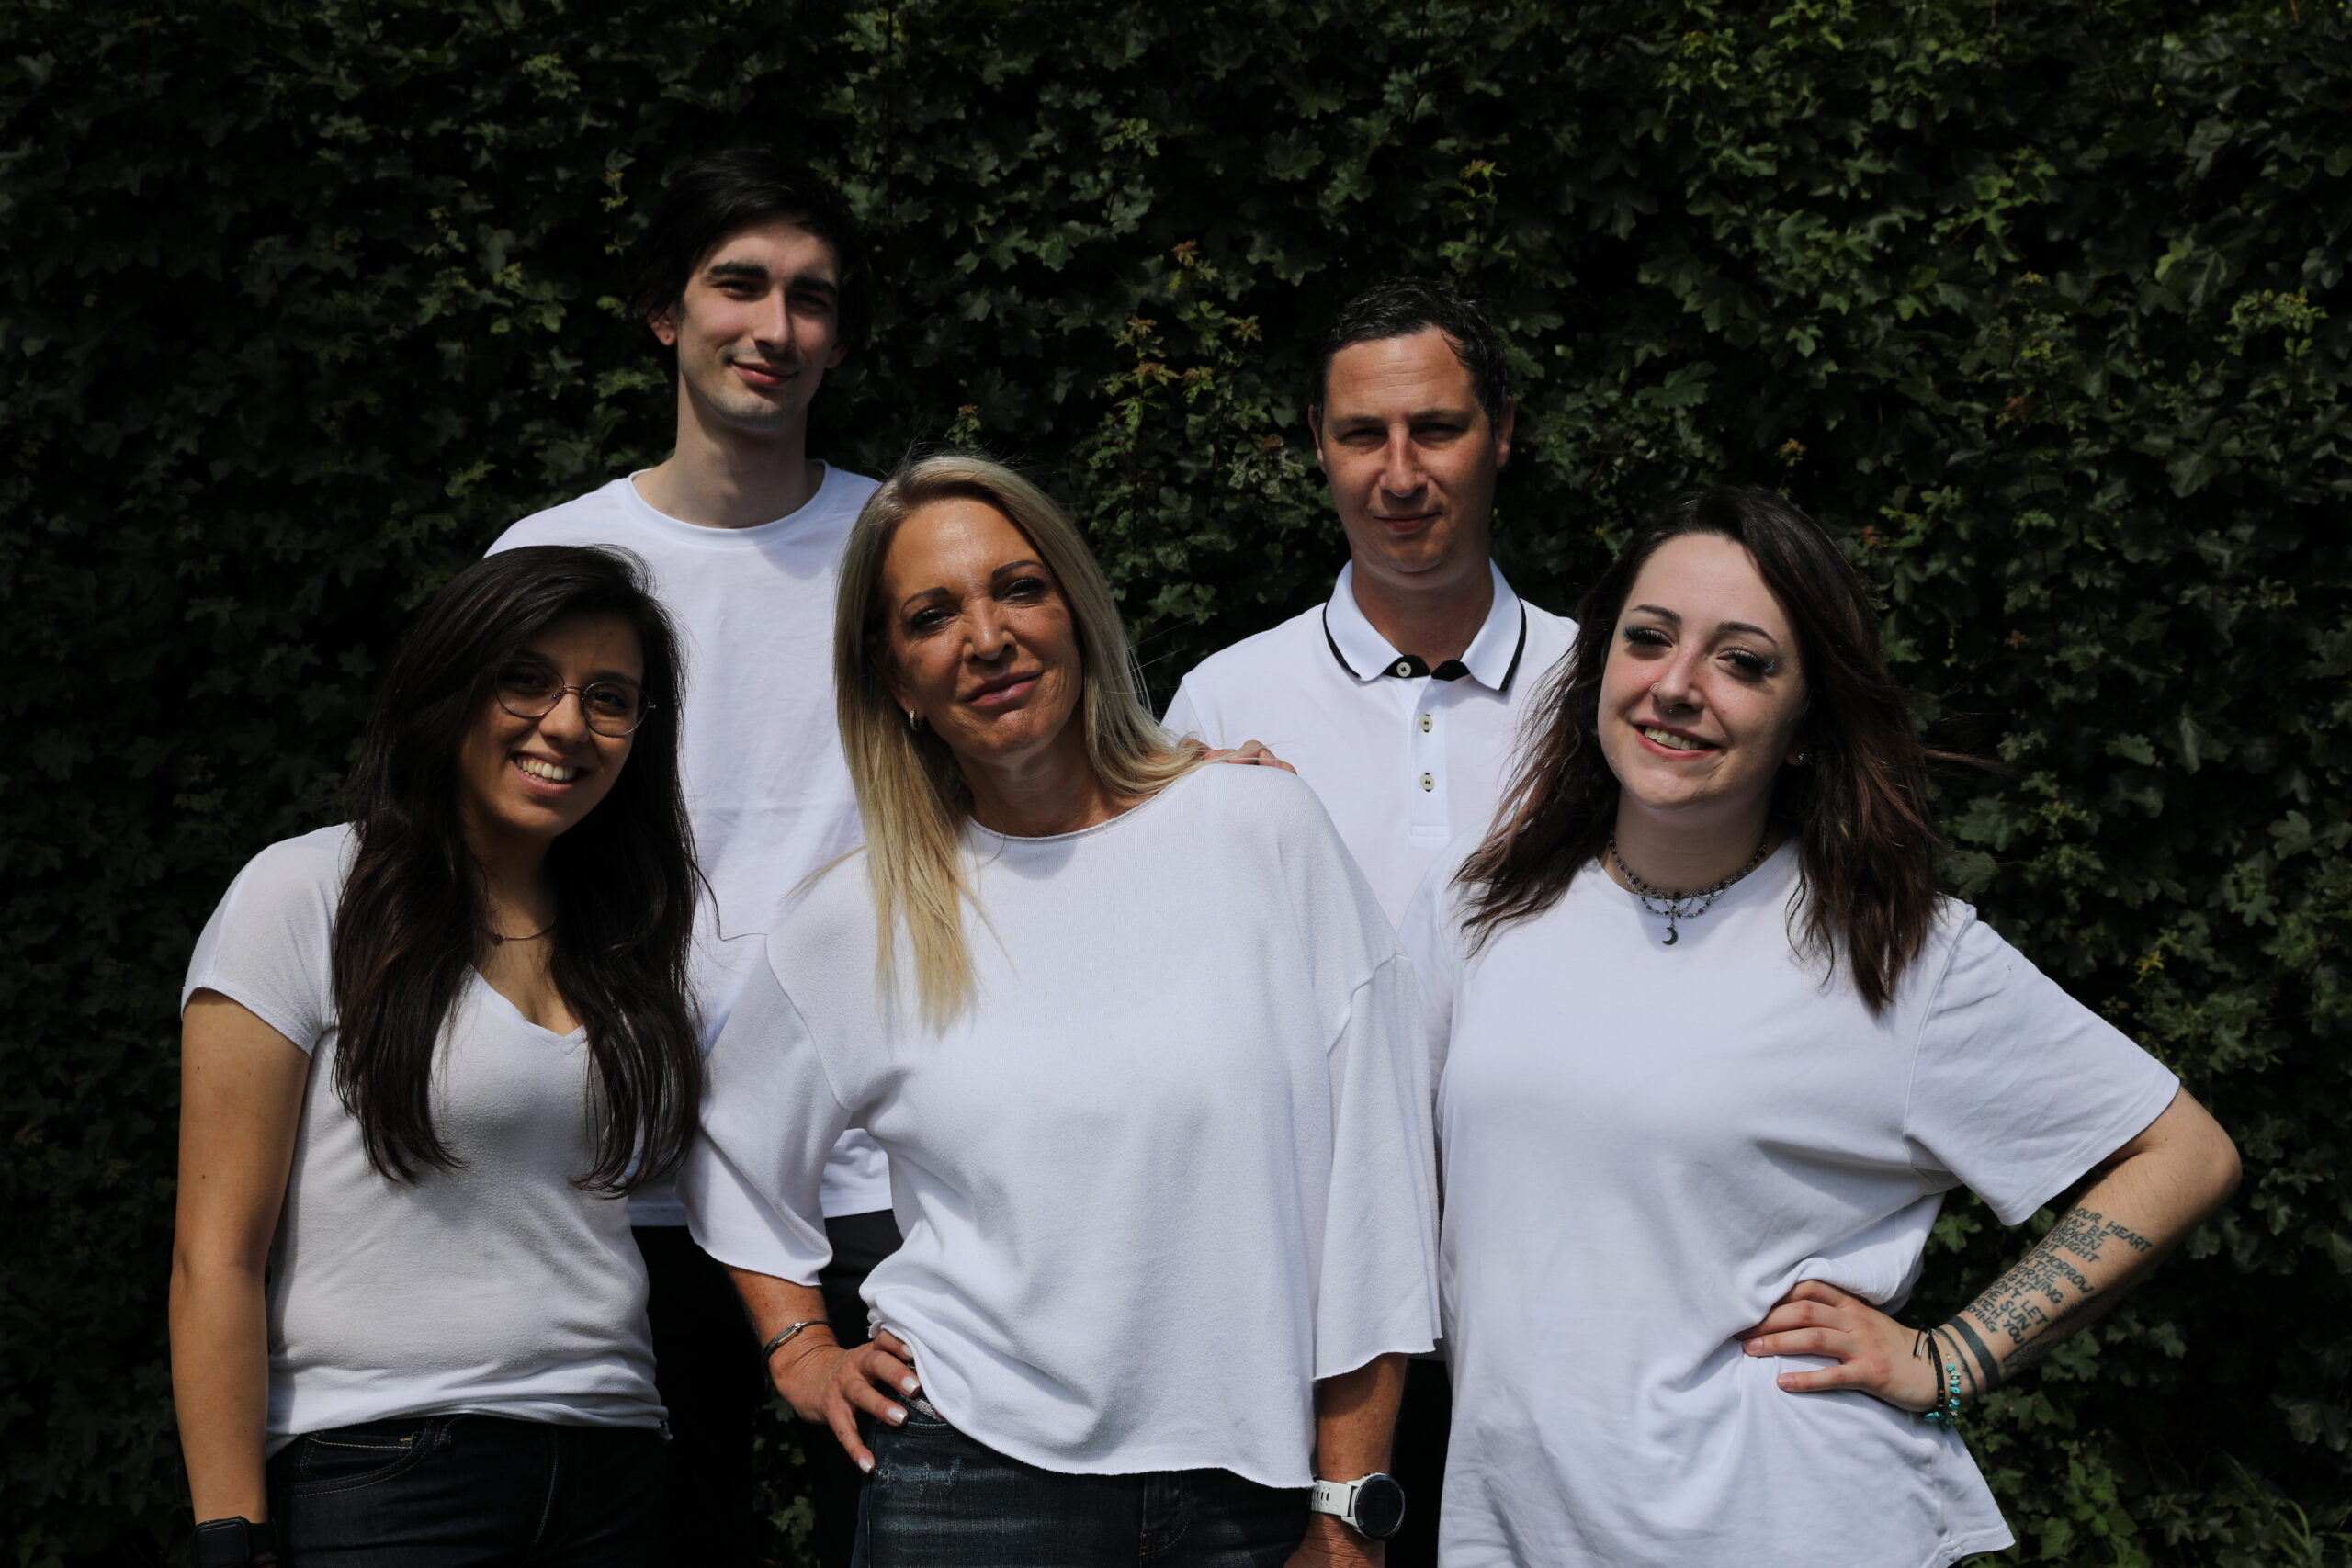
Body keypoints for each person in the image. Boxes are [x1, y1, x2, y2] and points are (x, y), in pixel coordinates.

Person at [1399, 486, 2242, 1567]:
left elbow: (2184, 1151)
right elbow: (1367, 1188)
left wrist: (1955, 1356)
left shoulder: (1892, 950)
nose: (1678, 686)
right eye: (1648, 639)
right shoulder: (1476, 908)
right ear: (1599, 665)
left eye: (1744, 662)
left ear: (1805, 728)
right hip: (1518, 1530)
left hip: (1797, 1523)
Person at [680, 454, 1440, 1568]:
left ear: (1075, 611)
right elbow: (732, 1144)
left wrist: (1348, 1502)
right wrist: (800, 1348)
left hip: (1252, 1494)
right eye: (932, 616)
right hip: (964, 1488)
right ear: (895, 678)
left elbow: (1372, 1191)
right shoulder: (861, 919)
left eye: (1018, 589)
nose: (986, 638)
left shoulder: (1260, 832)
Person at [487, 149, 888, 1565]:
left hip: (876, 1173)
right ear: (665, 310)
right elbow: (469, 852)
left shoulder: (899, 546)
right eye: (739, 285)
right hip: (617, 1172)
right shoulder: (554, 553)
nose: (774, 328)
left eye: (811, 298)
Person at [169, 547, 704, 1568]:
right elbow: (214, 1259)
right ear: (454, 679)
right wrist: (229, 1535)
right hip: (384, 1469)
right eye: (525, 678)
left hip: (612, 1461)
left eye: (609, 698)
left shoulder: (625, 939)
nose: (565, 723)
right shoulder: (308, 894)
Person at [1161, 276, 1574, 1560]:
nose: (1398, 472)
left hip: (1554, 1300)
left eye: (1436, 428)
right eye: (1361, 434)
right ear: (1318, 442)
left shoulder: (1604, 691)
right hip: (1309, 1318)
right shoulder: (1224, 700)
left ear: (1502, 430)